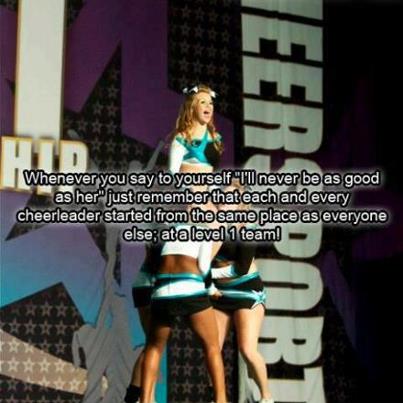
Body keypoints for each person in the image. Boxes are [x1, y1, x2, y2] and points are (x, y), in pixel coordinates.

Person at [140, 225, 227, 403]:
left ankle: (145, 400)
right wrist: (211, 289)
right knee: (212, 346)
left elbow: (152, 264)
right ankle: (220, 400)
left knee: (153, 347)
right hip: (190, 289)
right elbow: (203, 266)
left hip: (162, 291)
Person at [211, 182, 274, 403]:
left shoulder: (247, 227)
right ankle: (217, 398)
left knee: (247, 349)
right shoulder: (212, 224)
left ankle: (266, 397)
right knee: (212, 349)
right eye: (222, 197)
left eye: (230, 198)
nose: (223, 202)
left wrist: (208, 275)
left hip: (246, 291)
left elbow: (241, 268)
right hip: (220, 294)